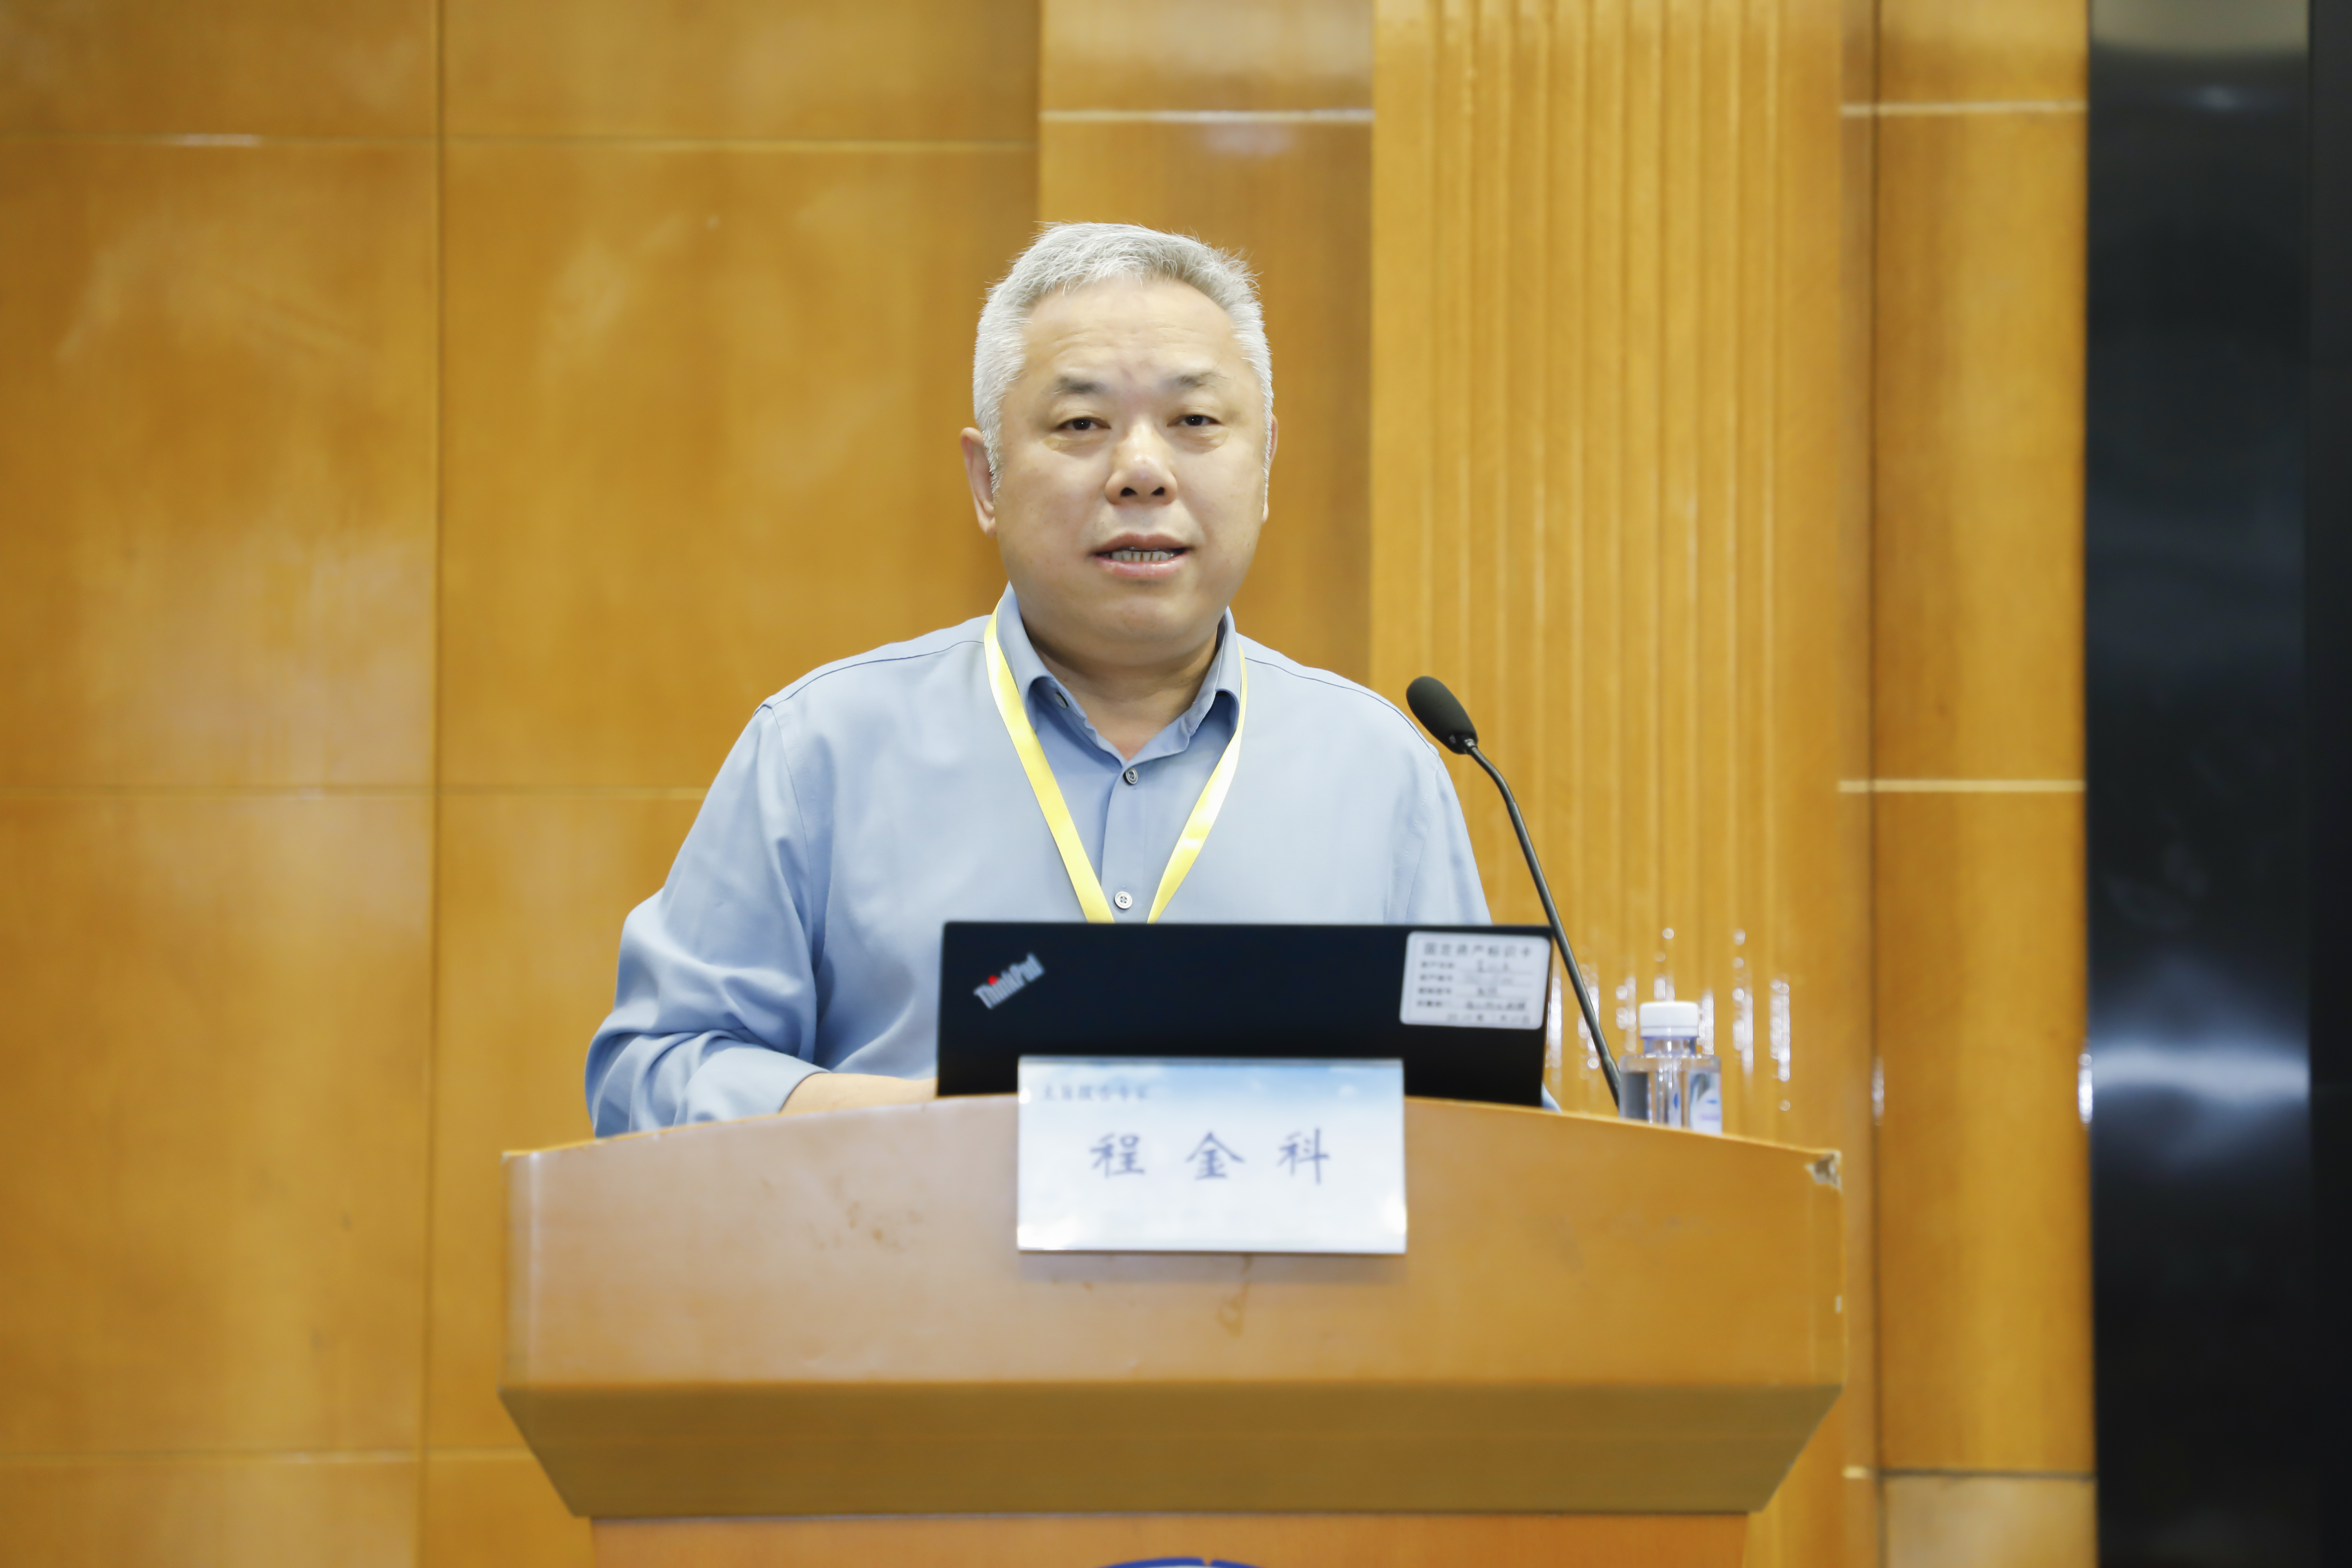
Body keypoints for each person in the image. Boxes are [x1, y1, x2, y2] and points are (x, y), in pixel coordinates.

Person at [586, 223, 1491, 1136]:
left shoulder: (1382, 771)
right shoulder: (821, 749)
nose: (1142, 472)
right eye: (1081, 425)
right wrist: (926, 1122)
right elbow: (649, 1076)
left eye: (1195, 422)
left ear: (1263, 467)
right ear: (987, 480)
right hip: (920, 1230)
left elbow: (1488, 1119)